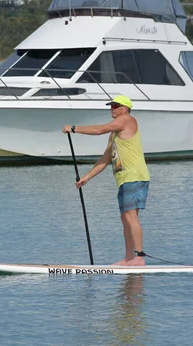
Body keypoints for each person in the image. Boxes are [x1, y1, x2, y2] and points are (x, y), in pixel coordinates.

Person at [63, 95, 150, 266]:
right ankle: (128, 258)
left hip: (135, 176)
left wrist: (73, 128)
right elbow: (105, 159)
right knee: (125, 217)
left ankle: (139, 257)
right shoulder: (115, 135)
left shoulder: (128, 120)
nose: (113, 108)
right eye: (111, 106)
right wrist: (86, 178)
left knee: (131, 216)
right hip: (124, 179)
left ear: (125, 108)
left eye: (116, 106)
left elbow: (98, 130)